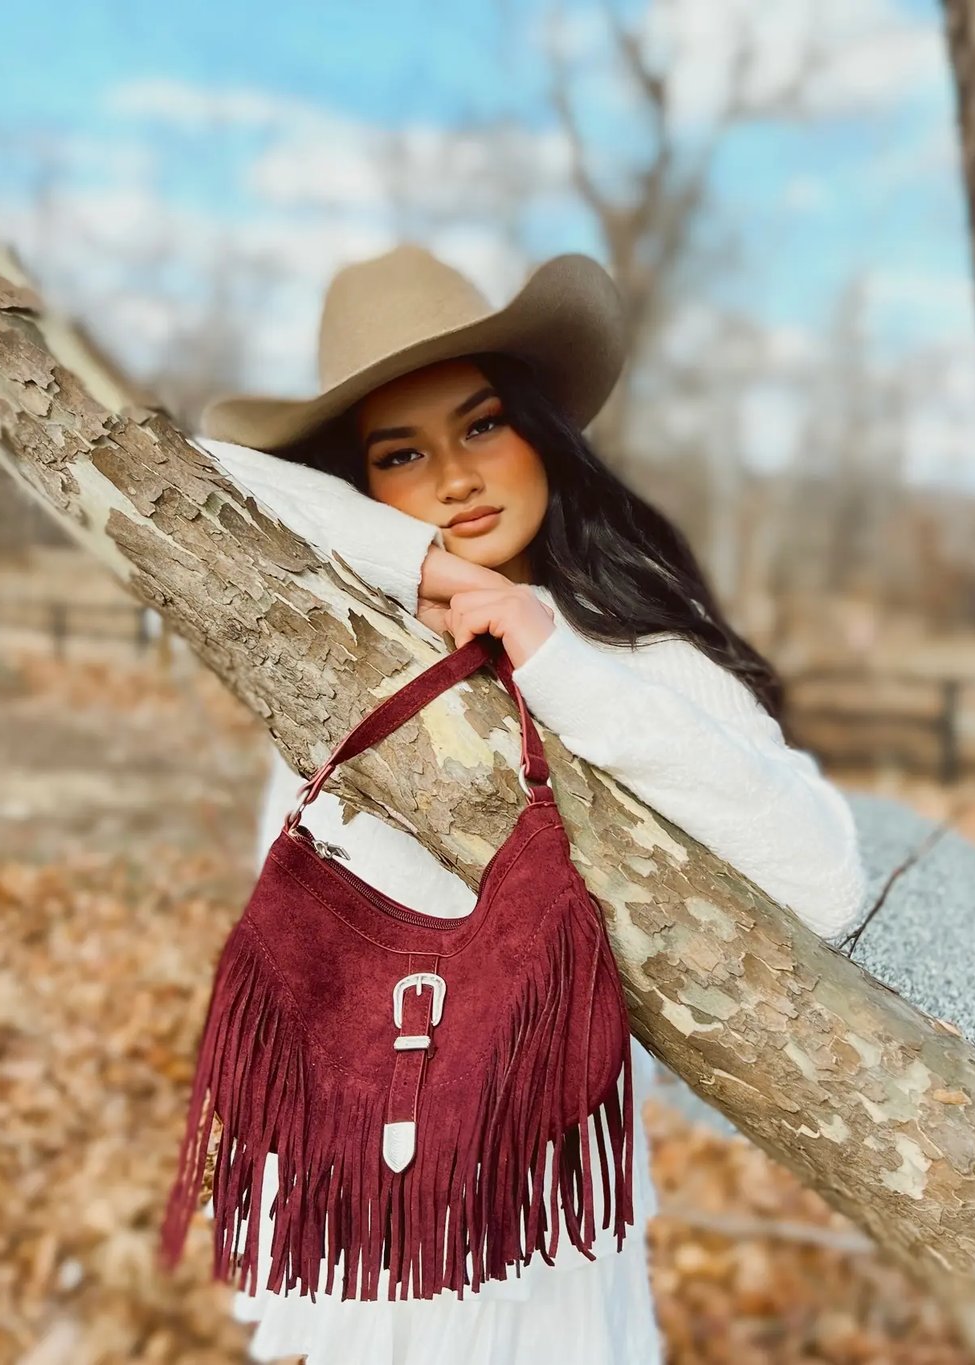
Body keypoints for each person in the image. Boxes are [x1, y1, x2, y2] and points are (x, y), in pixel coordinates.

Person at [188, 243, 869, 1364]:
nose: (454, 478)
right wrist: (423, 571)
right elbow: (201, 470)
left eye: (482, 425)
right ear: (357, 489)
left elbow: (825, 879)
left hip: (533, 1215)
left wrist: (554, 659)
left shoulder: (631, 652)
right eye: (399, 454)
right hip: (358, 1209)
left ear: (542, 433)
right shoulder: (340, 644)